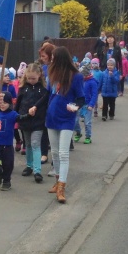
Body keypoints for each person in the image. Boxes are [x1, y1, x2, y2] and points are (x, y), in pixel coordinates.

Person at [45, 46, 86, 203]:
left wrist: (75, 106)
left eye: (54, 58)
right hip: (51, 117)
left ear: (60, 58)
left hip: (67, 118)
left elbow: (81, 98)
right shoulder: (52, 74)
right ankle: (57, 181)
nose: (51, 60)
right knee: (54, 153)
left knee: (63, 153)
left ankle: (62, 187)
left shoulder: (76, 77)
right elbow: (49, 95)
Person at [16, 62, 49, 183]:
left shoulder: (44, 89)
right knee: (28, 144)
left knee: (35, 144)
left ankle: (37, 170)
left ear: (39, 75)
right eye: (29, 78)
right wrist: (16, 117)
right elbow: (18, 105)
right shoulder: (23, 89)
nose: (31, 80)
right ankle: (29, 165)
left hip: (38, 121)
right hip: (25, 121)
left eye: (33, 78)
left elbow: (45, 104)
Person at [74, 59, 99, 144]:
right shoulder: (79, 81)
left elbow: (94, 94)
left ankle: (88, 136)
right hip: (79, 104)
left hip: (88, 104)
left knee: (87, 122)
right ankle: (78, 132)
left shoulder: (92, 82)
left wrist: (91, 104)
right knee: (75, 121)